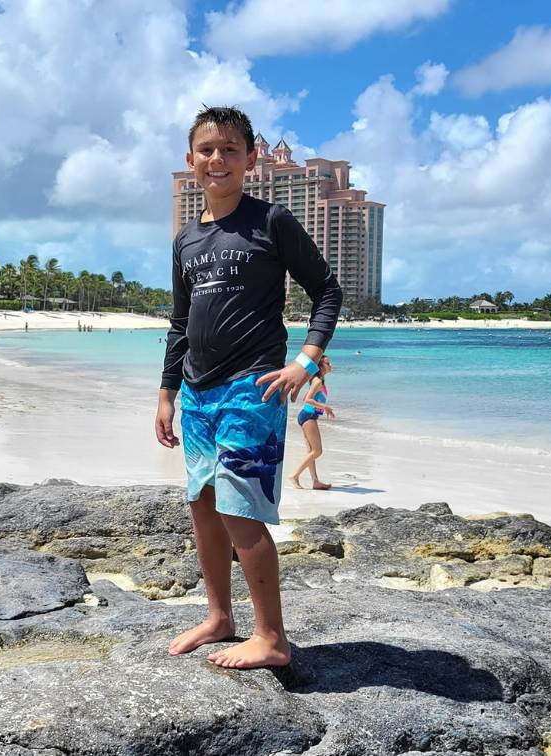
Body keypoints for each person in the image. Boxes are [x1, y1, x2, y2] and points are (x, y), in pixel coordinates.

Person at [156, 106, 342, 669]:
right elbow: (179, 322)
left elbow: (326, 292)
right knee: (205, 506)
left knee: (242, 511)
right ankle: (219, 617)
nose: (218, 159)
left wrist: (305, 364)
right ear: (191, 161)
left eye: (230, 149)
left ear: (250, 159)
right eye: (207, 150)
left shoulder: (272, 221)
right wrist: (166, 394)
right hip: (196, 392)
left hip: (250, 388)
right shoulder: (187, 239)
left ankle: (272, 638)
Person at [289, 356, 335, 490]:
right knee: (317, 451)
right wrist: (324, 407)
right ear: (321, 366)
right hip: (309, 416)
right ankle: (294, 475)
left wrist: (323, 407)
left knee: (311, 451)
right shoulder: (317, 382)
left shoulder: (319, 380)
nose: (330, 365)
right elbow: (306, 399)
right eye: (327, 363)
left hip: (308, 416)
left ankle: (315, 481)